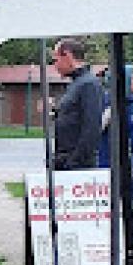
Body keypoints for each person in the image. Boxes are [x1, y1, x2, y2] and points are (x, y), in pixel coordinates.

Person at [51, 38, 103, 171]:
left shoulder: (88, 84)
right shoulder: (76, 83)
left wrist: (74, 161)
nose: (55, 65)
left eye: (56, 60)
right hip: (64, 158)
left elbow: (91, 127)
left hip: (77, 164)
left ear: (67, 55)